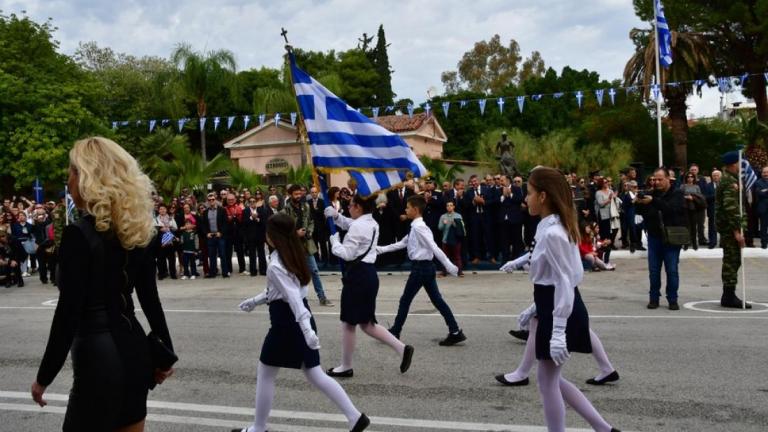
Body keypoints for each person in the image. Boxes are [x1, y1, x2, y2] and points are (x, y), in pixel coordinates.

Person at [31, 137, 175, 431]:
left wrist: (43, 378)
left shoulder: (78, 234)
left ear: (87, 177)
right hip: (136, 351)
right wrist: (165, 354)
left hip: (97, 358)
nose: (68, 181)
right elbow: (150, 299)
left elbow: (68, 314)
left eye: (71, 172)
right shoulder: (139, 230)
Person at [507, 166, 619, 432]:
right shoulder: (548, 226)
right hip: (554, 305)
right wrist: (535, 307)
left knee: (547, 382)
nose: (526, 199)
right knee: (550, 381)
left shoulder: (554, 232)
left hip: (562, 309)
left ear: (543, 196)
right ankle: (604, 429)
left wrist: (558, 331)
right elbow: (550, 277)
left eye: (529, 193)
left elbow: (566, 282)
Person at [234, 214, 370, 432]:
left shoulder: (277, 263)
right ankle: (355, 417)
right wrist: (255, 301)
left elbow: (293, 298)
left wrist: (306, 330)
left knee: (266, 373)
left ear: (274, 236)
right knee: (314, 374)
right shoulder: (294, 255)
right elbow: (281, 291)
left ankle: (258, 428)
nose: (266, 235)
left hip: (287, 323)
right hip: (297, 320)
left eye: (268, 232)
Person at [323, 194, 415, 378]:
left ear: (358, 207)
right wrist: (336, 216)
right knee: (367, 324)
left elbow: (347, 254)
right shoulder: (371, 222)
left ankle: (346, 366)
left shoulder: (359, 226)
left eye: (350, 205)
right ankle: (402, 348)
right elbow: (350, 224)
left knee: (349, 323)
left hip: (358, 276)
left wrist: (335, 243)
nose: (348, 208)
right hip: (368, 275)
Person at [376, 195, 466, 345]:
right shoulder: (415, 227)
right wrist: (379, 249)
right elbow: (401, 243)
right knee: (437, 300)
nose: (405, 210)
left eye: (408, 207)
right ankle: (455, 331)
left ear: (416, 209)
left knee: (405, 300)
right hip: (425, 268)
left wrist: (449, 266)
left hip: (421, 269)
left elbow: (434, 247)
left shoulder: (419, 228)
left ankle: (395, 332)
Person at [635, 168, 687, 310]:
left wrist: (653, 201)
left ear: (668, 179)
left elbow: (671, 209)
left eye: (659, 179)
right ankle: (654, 298)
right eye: (654, 179)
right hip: (654, 237)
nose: (656, 182)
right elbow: (642, 213)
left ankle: (672, 299)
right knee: (653, 271)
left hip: (671, 238)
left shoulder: (677, 193)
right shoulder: (651, 194)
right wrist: (638, 203)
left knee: (672, 270)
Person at [282, 184, 333, 306]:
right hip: (293, 246)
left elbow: (311, 221)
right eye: (296, 194)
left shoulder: (306, 206)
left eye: (300, 193)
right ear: (290, 195)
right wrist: (295, 233)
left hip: (307, 245)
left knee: (314, 271)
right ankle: (294, 299)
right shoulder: (285, 211)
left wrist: (309, 231)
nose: (298, 196)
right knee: (294, 274)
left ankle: (322, 297)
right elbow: (283, 229)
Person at [716, 152, 752, 309]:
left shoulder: (731, 179)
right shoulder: (729, 181)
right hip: (730, 229)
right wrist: (736, 232)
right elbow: (730, 207)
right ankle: (729, 296)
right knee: (731, 261)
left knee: (733, 260)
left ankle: (728, 294)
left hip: (730, 227)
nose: (741, 165)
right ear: (732, 164)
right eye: (739, 162)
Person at [201, 192, 230, 278]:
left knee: (222, 254)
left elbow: (225, 223)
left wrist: (221, 232)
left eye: (213, 199)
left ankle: (225, 272)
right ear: (207, 201)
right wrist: (207, 233)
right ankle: (212, 272)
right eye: (209, 200)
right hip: (211, 236)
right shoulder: (205, 212)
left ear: (215, 200)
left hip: (220, 236)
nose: (211, 201)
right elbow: (204, 224)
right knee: (211, 255)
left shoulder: (222, 210)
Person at [437, 200, 465, 277]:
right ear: (446, 207)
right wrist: (444, 224)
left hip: (456, 239)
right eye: (447, 205)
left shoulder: (458, 216)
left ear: (453, 207)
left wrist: (455, 224)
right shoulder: (443, 216)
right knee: (444, 257)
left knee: (457, 256)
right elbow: (439, 228)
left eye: (451, 205)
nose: (449, 207)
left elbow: (462, 227)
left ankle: (459, 271)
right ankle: (444, 272)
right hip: (445, 239)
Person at [243, 195, 268, 276]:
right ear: (248, 203)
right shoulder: (245, 211)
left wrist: (257, 218)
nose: (252, 203)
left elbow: (264, 223)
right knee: (252, 254)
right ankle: (253, 271)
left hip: (260, 236)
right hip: (250, 236)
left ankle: (263, 270)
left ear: (256, 202)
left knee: (261, 254)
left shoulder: (261, 210)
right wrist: (251, 217)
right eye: (251, 202)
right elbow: (244, 223)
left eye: (254, 201)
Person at [680, 172, 706, 250]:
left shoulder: (697, 186)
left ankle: (694, 243)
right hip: (685, 207)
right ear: (686, 178)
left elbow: (700, 197)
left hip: (695, 208)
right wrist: (686, 197)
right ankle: (686, 243)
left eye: (691, 177)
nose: (690, 178)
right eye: (688, 177)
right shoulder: (683, 186)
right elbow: (679, 195)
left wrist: (693, 198)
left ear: (694, 178)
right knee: (687, 226)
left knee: (694, 226)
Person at [756, 166, 768, 249]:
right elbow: (760, 194)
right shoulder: (758, 182)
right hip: (763, 208)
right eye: (764, 172)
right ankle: (764, 244)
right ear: (761, 173)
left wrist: (765, 190)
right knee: (763, 227)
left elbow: (764, 193)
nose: (766, 174)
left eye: (767, 172)